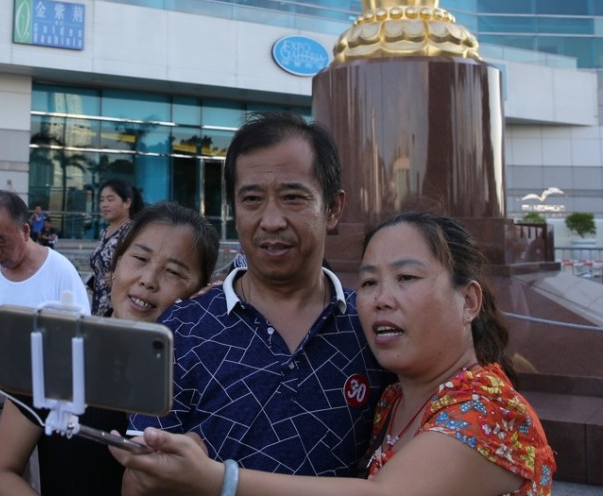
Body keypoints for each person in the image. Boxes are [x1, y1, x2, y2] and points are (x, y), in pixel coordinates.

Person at [114, 212, 557, 496]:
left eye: (406, 278)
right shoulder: (395, 398)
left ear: (470, 301)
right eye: (368, 283)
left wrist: (217, 479)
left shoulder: (490, 409)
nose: (382, 298)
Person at [127, 112, 388, 476]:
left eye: (293, 197)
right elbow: (142, 478)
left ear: (332, 208)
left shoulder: (374, 325)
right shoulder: (180, 329)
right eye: (251, 200)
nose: (271, 221)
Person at [0, 202, 221, 496]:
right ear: (114, 266)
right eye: (139, 258)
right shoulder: (56, 352)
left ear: (200, 291)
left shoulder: (210, 378)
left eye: (173, 272)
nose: (148, 280)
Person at [0, 190, 90, 416]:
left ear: (25, 231)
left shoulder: (60, 271)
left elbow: (82, 337)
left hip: (55, 391)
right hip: (5, 385)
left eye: (1, 241)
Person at [89, 179, 144, 316]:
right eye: (102, 200)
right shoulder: (105, 232)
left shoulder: (132, 232)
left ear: (127, 203)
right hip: (98, 308)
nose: (104, 205)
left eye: (110, 199)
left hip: (118, 311)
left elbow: (142, 268)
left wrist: (117, 278)